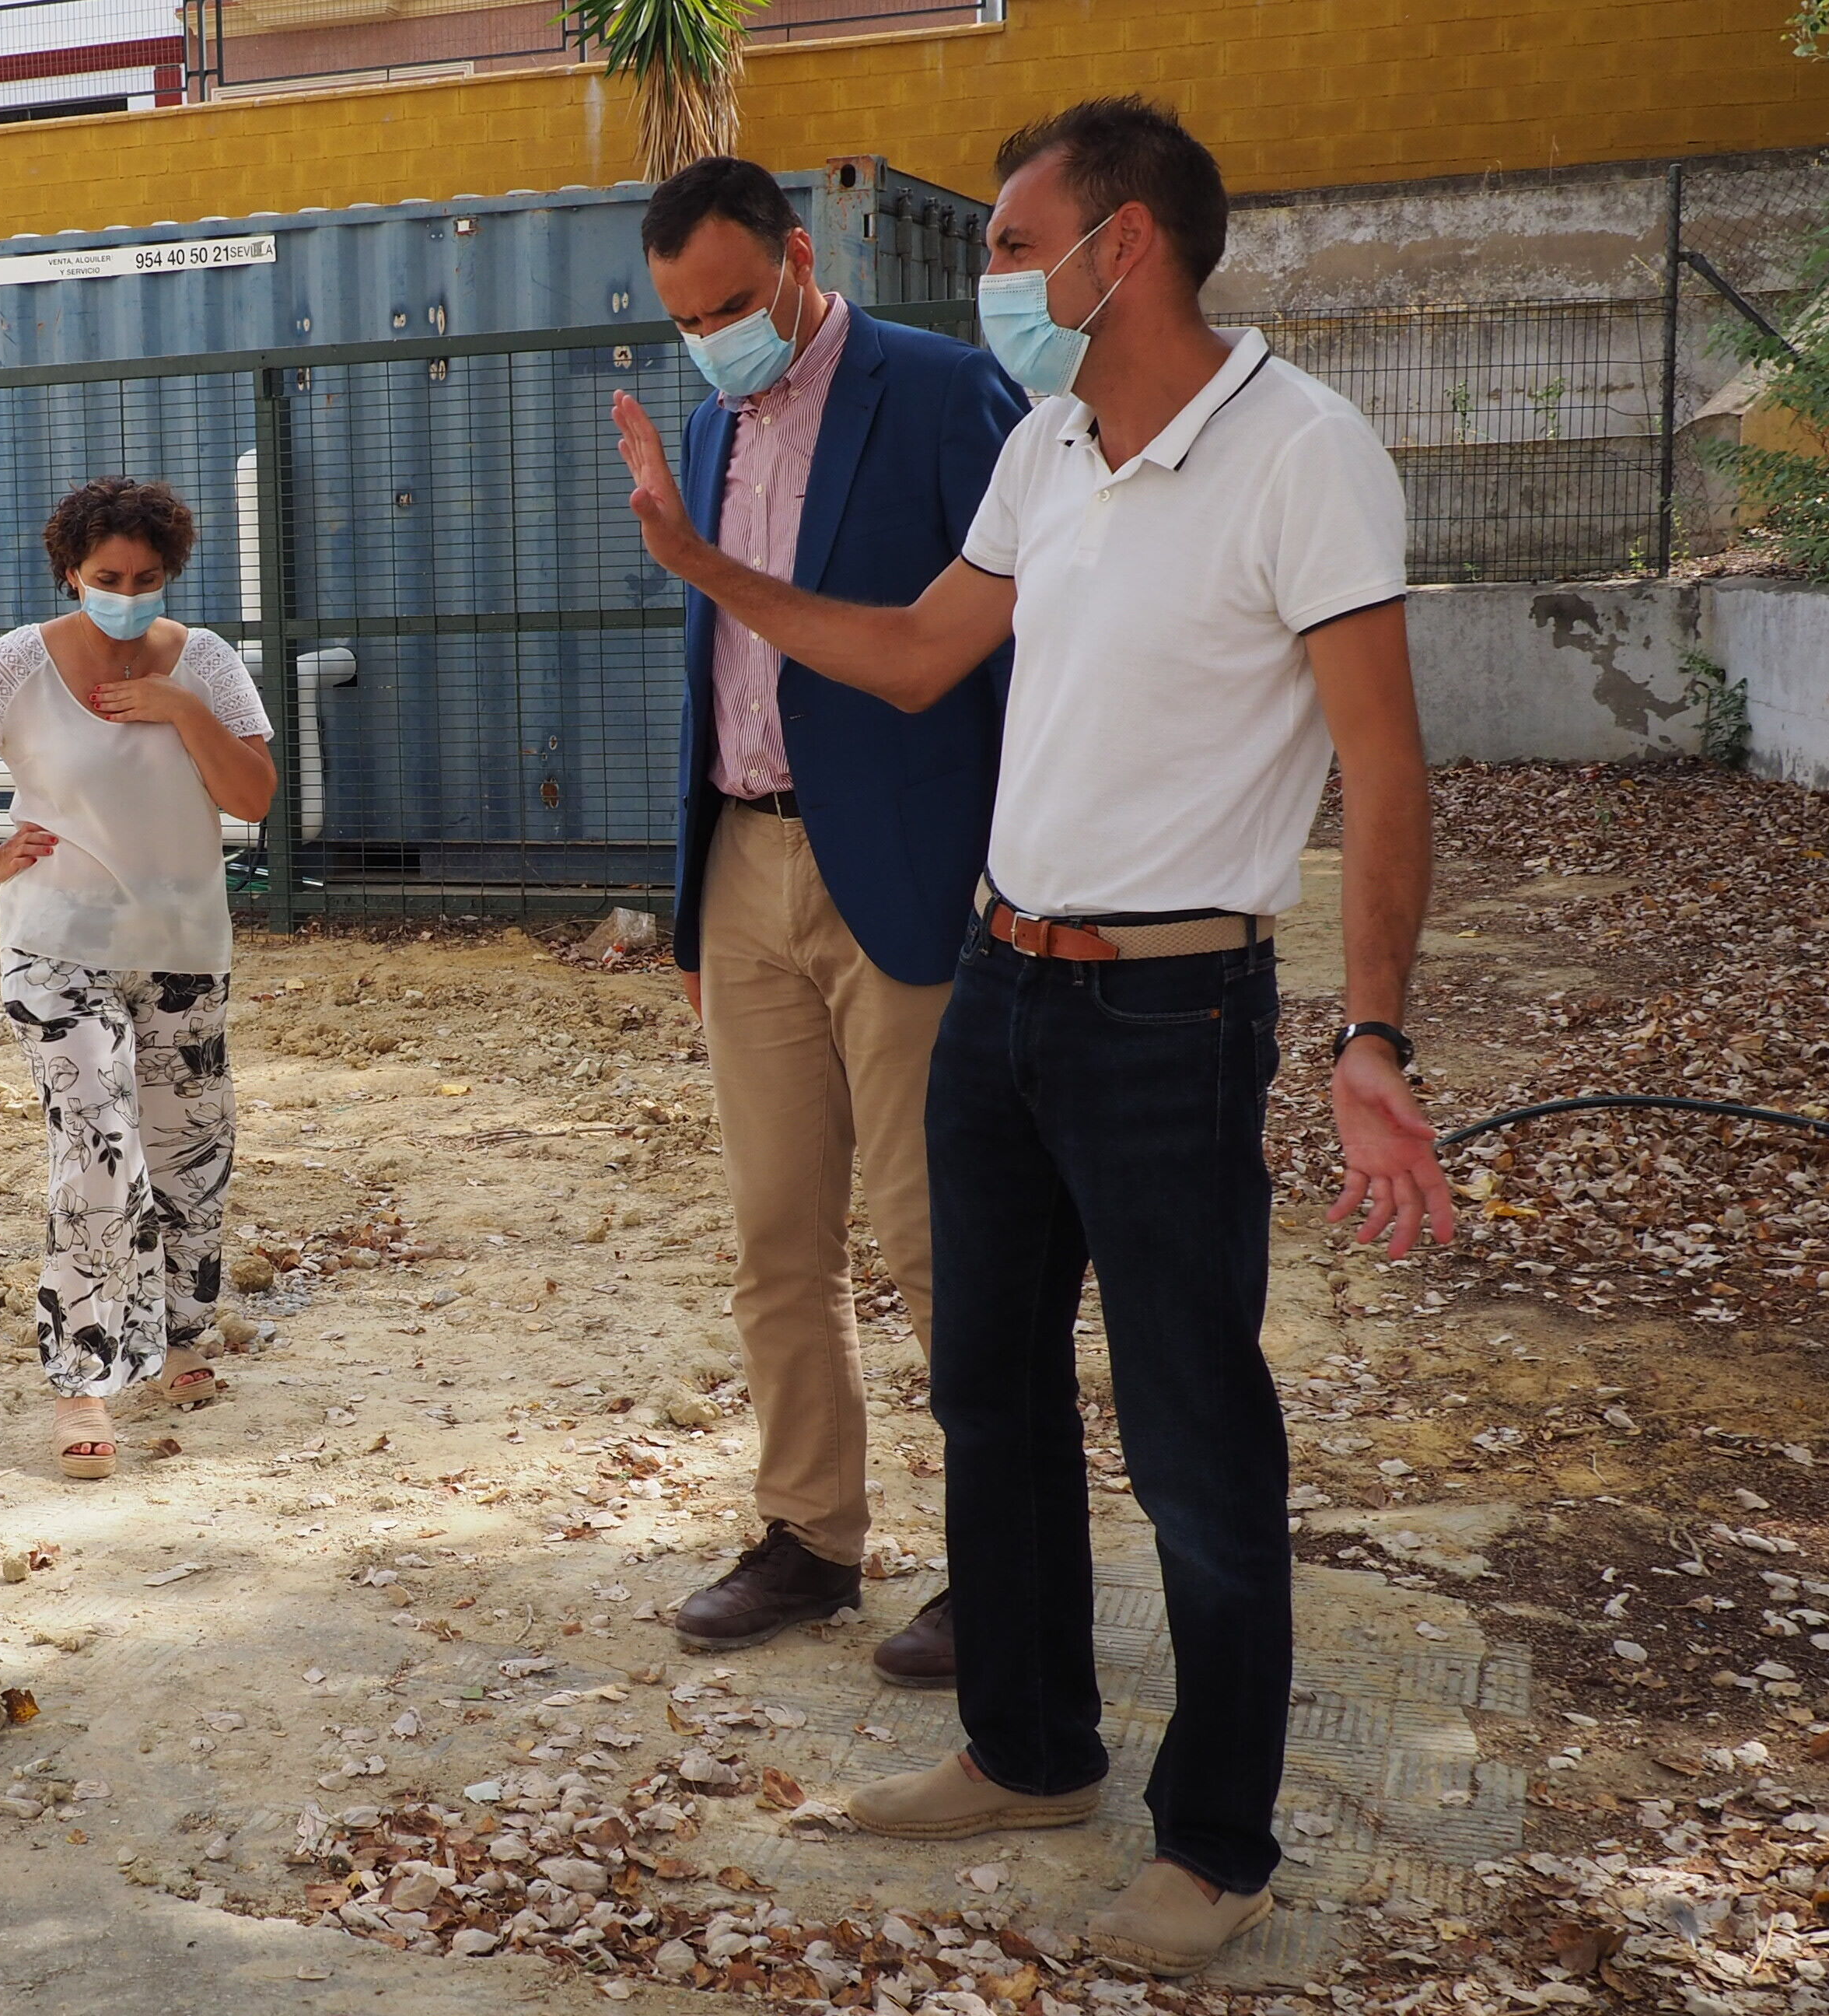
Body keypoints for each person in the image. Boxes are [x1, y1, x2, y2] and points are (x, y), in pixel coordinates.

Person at [610, 97, 1453, 1976]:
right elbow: (917, 656)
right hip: (998, 979)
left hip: (1172, 1003)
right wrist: (709, 571)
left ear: (1119, 247)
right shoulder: (1054, 446)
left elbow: (1386, 769)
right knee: (985, 1388)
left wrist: (1374, 1035)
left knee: (1192, 1437)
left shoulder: (1304, 453)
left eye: (1008, 243)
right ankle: (1029, 1743)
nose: (992, 277)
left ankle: (1216, 1844)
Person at [636, 156, 1029, 1679]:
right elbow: (718, 665)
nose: (714, 336)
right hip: (745, 866)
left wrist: (1003, 863)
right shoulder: (705, 418)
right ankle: (810, 1536)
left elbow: (1006, 648)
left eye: (734, 302)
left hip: (913, 874)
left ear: (801, 260)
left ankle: (1004, 1566)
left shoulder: (942, 396)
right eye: (683, 318)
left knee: (945, 1244)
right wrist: (693, 908)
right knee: (775, 1237)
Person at [0, 478, 276, 1482]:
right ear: (71, 571)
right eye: (107, 578)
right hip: (57, 945)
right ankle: (83, 1378)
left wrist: (182, 709)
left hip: (184, 946)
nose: (127, 594)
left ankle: (182, 1335)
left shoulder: (210, 663)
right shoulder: (18, 661)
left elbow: (254, 798)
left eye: (146, 579)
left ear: (169, 575)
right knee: (99, 1152)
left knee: (189, 1152)